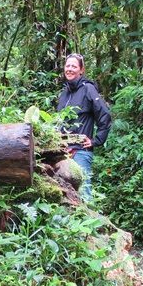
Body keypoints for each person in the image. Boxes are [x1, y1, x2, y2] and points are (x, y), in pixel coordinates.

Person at [56, 52, 111, 201]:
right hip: (63, 152)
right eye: (67, 65)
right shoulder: (64, 93)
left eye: (74, 66)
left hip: (80, 152)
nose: (70, 69)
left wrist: (95, 140)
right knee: (64, 192)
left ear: (81, 70)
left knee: (83, 192)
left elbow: (104, 114)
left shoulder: (88, 89)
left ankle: (92, 224)